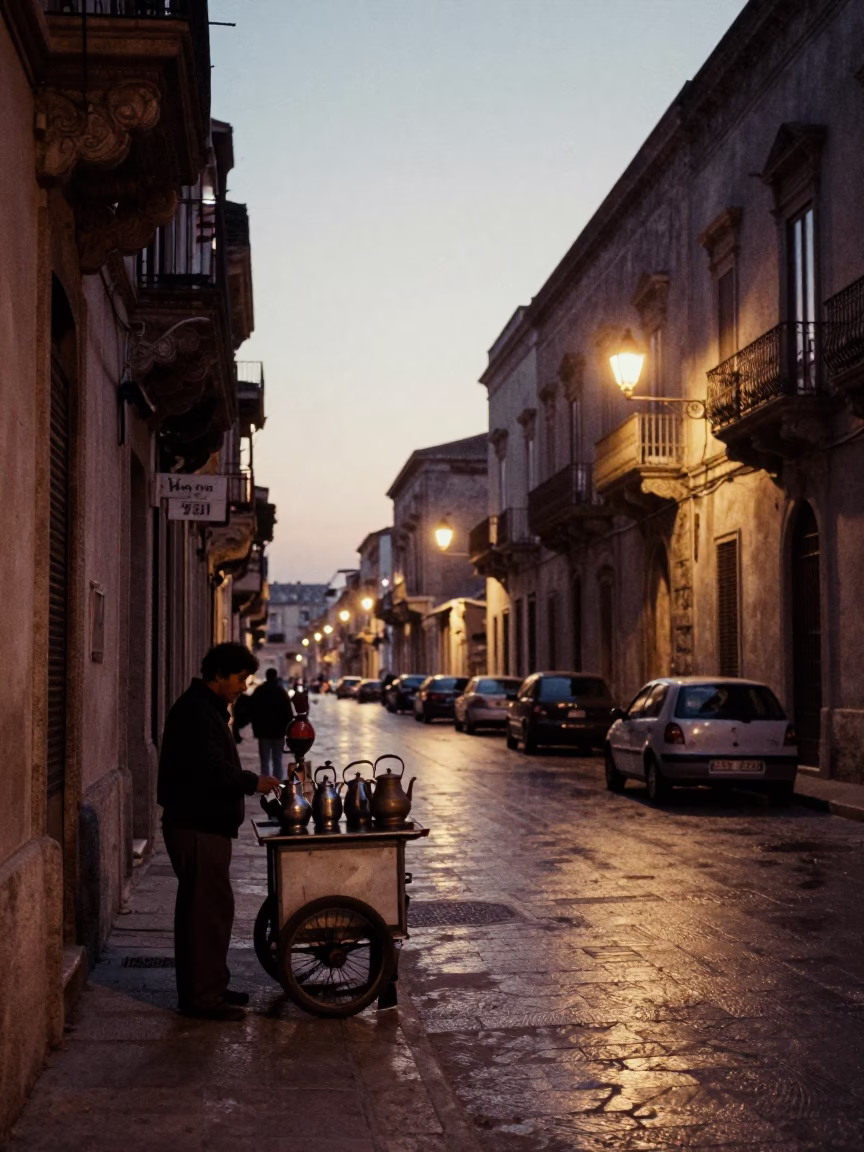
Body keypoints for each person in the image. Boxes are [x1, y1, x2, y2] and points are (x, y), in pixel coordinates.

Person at [157, 642, 281, 1021]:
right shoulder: (197, 712)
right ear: (220, 675)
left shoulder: (206, 708)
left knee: (208, 910)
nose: (244, 686)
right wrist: (253, 782)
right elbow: (210, 769)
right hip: (197, 826)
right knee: (206, 912)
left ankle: (210, 984)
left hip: (202, 824)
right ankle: (203, 998)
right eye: (241, 679)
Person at [249, 668, 293, 779]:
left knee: (264, 760)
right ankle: (277, 784)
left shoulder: (259, 691)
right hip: (278, 732)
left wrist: (256, 728)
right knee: (277, 758)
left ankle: (265, 784)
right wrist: (288, 731)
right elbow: (289, 713)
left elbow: (252, 710)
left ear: (267, 676)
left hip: (263, 732)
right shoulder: (281, 692)